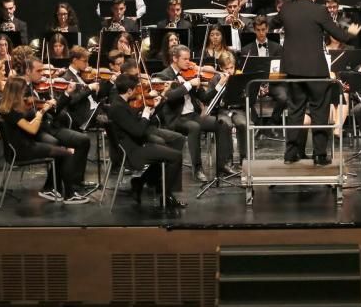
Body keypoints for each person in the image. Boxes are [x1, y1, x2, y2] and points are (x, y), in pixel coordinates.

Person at [269, 0, 361, 165]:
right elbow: (339, 35)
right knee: (319, 111)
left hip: (293, 69)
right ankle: (319, 156)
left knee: (295, 111)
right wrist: (350, 33)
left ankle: (290, 155)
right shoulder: (319, 10)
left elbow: (272, 23)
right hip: (316, 70)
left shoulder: (287, 8)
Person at [0, 77, 88, 204]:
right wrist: (41, 114)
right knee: (66, 154)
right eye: (23, 91)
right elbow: (32, 129)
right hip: (23, 149)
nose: (25, 94)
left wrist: (41, 111)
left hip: (22, 145)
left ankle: (52, 188)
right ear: (17, 92)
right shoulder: (11, 112)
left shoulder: (6, 108)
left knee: (60, 152)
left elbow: (28, 126)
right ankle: (69, 194)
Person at [154, 45, 233, 180]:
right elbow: (170, 96)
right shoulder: (163, 75)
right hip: (175, 118)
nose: (188, 62)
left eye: (189, 59)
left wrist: (220, 84)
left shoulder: (190, 73)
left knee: (222, 124)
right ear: (174, 59)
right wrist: (189, 84)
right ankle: (197, 169)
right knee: (194, 127)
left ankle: (222, 166)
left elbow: (205, 98)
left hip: (192, 115)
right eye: (184, 59)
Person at [108, 74, 185, 208]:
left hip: (134, 145)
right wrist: (144, 116)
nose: (139, 91)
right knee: (176, 156)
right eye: (136, 89)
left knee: (166, 155)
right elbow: (138, 131)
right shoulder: (118, 108)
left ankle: (140, 182)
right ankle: (166, 196)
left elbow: (135, 122)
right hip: (132, 151)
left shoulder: (120, 103)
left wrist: (153, 108)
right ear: (129, 91)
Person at [24, 53, 93, 201]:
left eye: (43, 71)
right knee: (61, 147)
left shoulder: (40, 87)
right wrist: (42, 108)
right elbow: (24, 115)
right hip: (37, 130)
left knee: (83, 140)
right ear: (28, 71)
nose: (42, 74)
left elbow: (55, 111)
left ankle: (74, 182)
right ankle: (65, 190)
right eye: (39, 71)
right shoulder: (22, 88)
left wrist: (66, 94)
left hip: (51, 126)